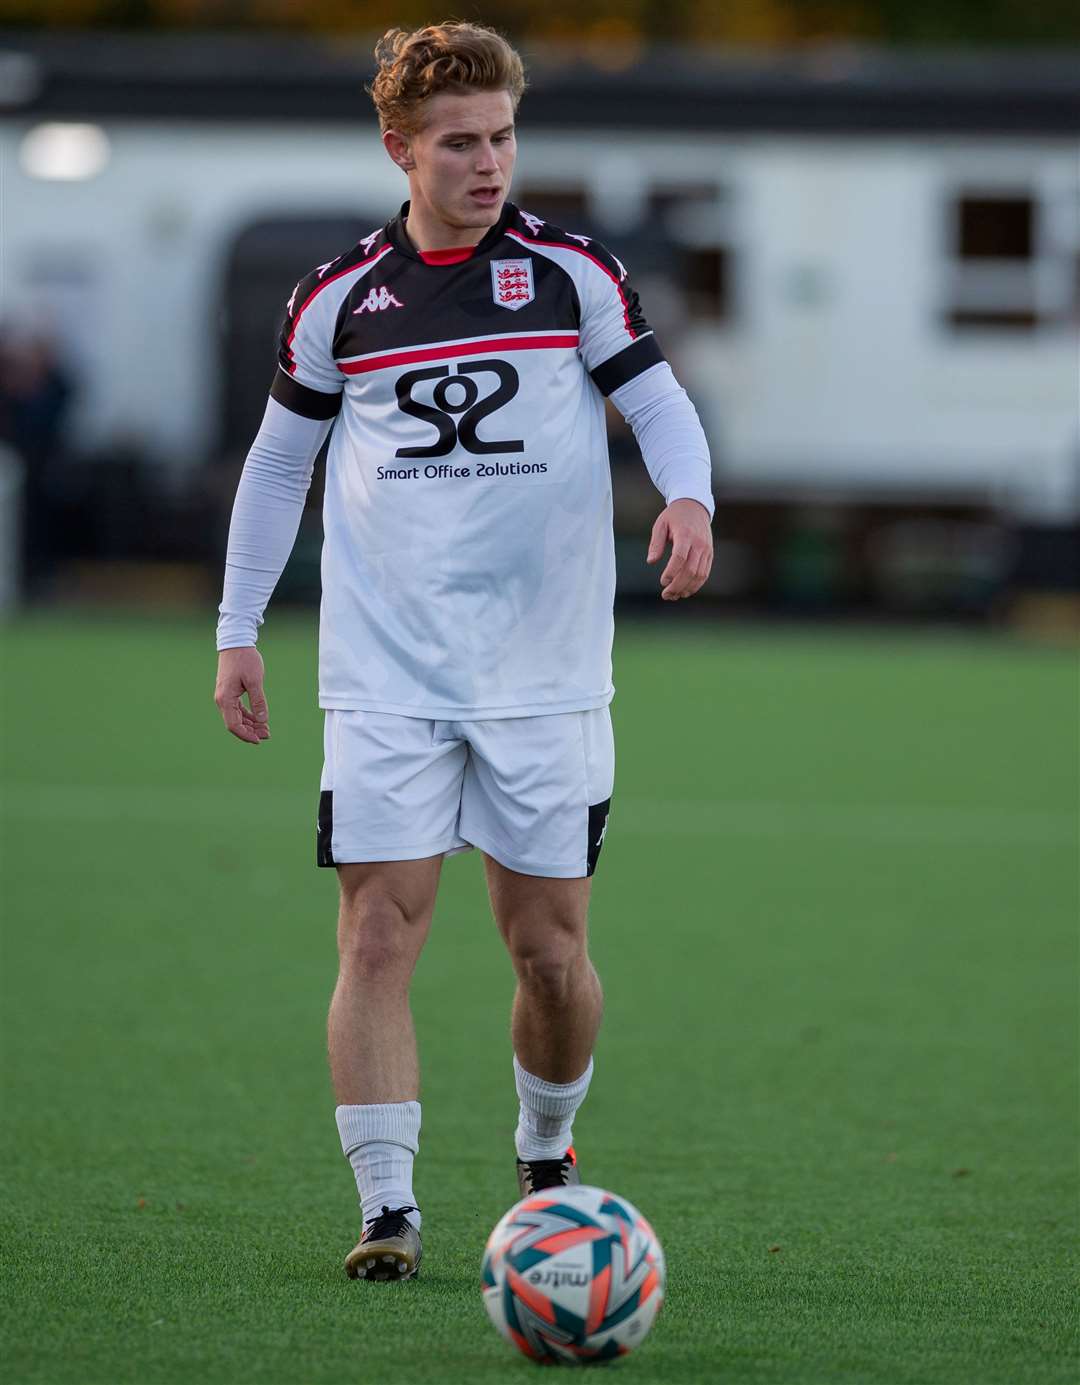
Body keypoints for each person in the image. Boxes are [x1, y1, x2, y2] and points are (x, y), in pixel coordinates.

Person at [214, 21, 714, 1283]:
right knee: (376, 934)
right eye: (460, 144)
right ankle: (390, 1209)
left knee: (549, 951)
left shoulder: (571, 274)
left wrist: (689, 494)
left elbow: (653, 396)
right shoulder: (338, 299)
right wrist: (238, 628)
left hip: (545, 676)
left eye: (502, 138)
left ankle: (546, 1152)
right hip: (385, 674)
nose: (489, 164)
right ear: (401, 149)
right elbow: (281, 464)